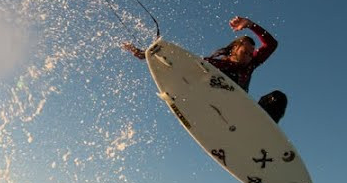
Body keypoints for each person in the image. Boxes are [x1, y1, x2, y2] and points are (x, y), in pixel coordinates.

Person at [122, 16, 288, 122]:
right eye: (245, 52)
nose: (249, 57)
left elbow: (271, 44)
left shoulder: (250, 65)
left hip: (240, 112)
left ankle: (261, 130)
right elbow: (178, 63)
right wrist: (146, 55)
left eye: (251, 54)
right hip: (212, 108)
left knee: (278, 98)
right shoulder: (213, 65)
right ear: (234, 50)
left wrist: (251, 24)